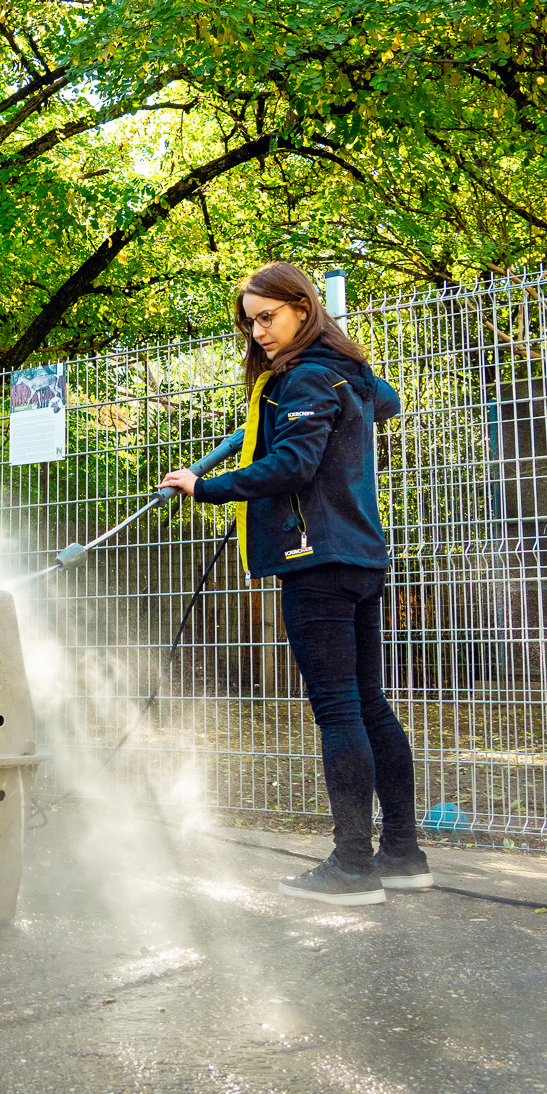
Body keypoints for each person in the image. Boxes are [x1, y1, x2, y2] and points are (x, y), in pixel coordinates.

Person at [158, 262, 433, 905]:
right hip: (362, 558)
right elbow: (385, 399)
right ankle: (402, 855)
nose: (257, 334)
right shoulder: (347, 376)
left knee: (339, 708)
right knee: (369, 704)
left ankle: (352, 867)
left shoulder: (306, 377)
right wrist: (344, 373)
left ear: (303, 310)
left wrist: (207, 485)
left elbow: (291, 464)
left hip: (316, 561)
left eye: (268, 318)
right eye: (250, 323)